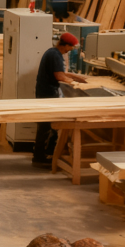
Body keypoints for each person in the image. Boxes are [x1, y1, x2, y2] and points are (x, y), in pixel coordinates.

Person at [32, 32, 89, 167]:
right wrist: (76, 84)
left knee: (45, 125)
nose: (71, 50)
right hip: (48, 94)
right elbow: (59, 76)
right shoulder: (55, 55)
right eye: (71, 47)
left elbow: (62, 73)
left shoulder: (52, 52)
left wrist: (79, 78)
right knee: (47, 126)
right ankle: (40, 157)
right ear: (66, 45)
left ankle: (44, 153)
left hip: (44, 92)